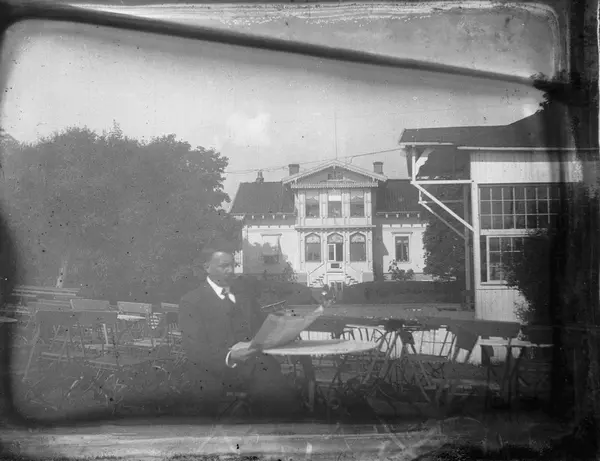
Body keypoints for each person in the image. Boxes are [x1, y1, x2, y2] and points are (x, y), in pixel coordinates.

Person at [179, 247, 302, 419]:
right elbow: (194, 349)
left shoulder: (244, 296)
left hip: (255, 366)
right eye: (224, 266)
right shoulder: (192, 302)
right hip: (216, 371)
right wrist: (230, 356)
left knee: (284, 394)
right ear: (207, 267)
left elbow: (262, 327)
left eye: (233, 265)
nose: (231, 270)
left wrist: (284, 329)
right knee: (276, 397)